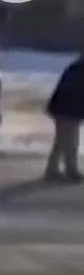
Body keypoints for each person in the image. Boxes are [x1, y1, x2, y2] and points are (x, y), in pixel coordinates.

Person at [46, 53, 84, 182]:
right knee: (70, 141)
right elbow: (76, 93)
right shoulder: (79, 69)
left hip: (63, 108)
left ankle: (52, 170)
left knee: (62, 140)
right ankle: (70, 170)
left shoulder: (76, 67)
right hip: (67, 110)